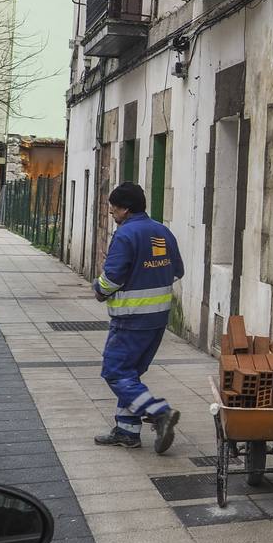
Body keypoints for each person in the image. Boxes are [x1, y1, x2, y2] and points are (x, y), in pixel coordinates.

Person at [92, 182, 184, 452]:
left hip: (130, 319)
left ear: (126, 209)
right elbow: (177, 270)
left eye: (113, 208)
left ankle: (159, 412)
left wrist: (98, 289)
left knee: (115, 372)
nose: (111, 213)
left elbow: (111, 278)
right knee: (130, 374)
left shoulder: (125, 235)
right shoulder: (162, 231)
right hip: (157, 319)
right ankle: (127, 431)